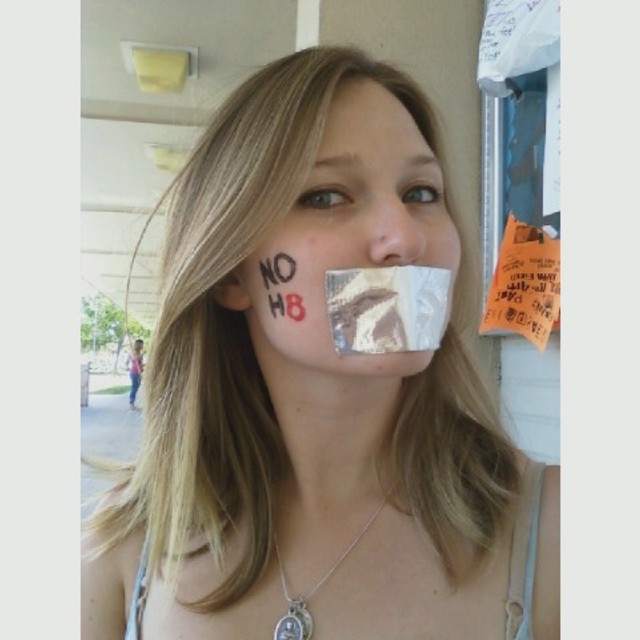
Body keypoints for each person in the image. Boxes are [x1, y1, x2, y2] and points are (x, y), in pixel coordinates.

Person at [81, 45, 559, 639]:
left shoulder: (557, 532)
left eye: (421, 193)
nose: (403, 239)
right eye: (327, 196)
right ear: (232, 274)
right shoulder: (125, 542)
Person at [125, 338, 144, 410]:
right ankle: (131, 403)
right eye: (141, 344)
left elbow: (140, 364)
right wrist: (129, 367)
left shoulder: (139, 353)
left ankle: (132, 403)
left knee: (136, 387)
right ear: (138, 345)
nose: (142, 346)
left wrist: (143, 366)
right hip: (134, 373)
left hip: (139, 372)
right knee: (134, 387)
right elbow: (128, 362)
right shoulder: (133, 353)